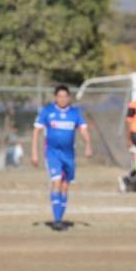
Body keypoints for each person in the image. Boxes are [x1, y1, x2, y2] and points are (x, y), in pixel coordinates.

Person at [31, 85, 92, 231]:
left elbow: (83, 130)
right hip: (52, 153)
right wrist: (34, 153)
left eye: (65, 96)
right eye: (59, 96)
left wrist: (88, 144)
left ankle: (60, 218)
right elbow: (36, 132)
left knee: (65, 186)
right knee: (57, 182)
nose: (62, 99)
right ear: (55, 97)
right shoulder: (47, 111)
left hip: (69, 154)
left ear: (69, 97)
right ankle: (57, 221)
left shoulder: (75, 113)